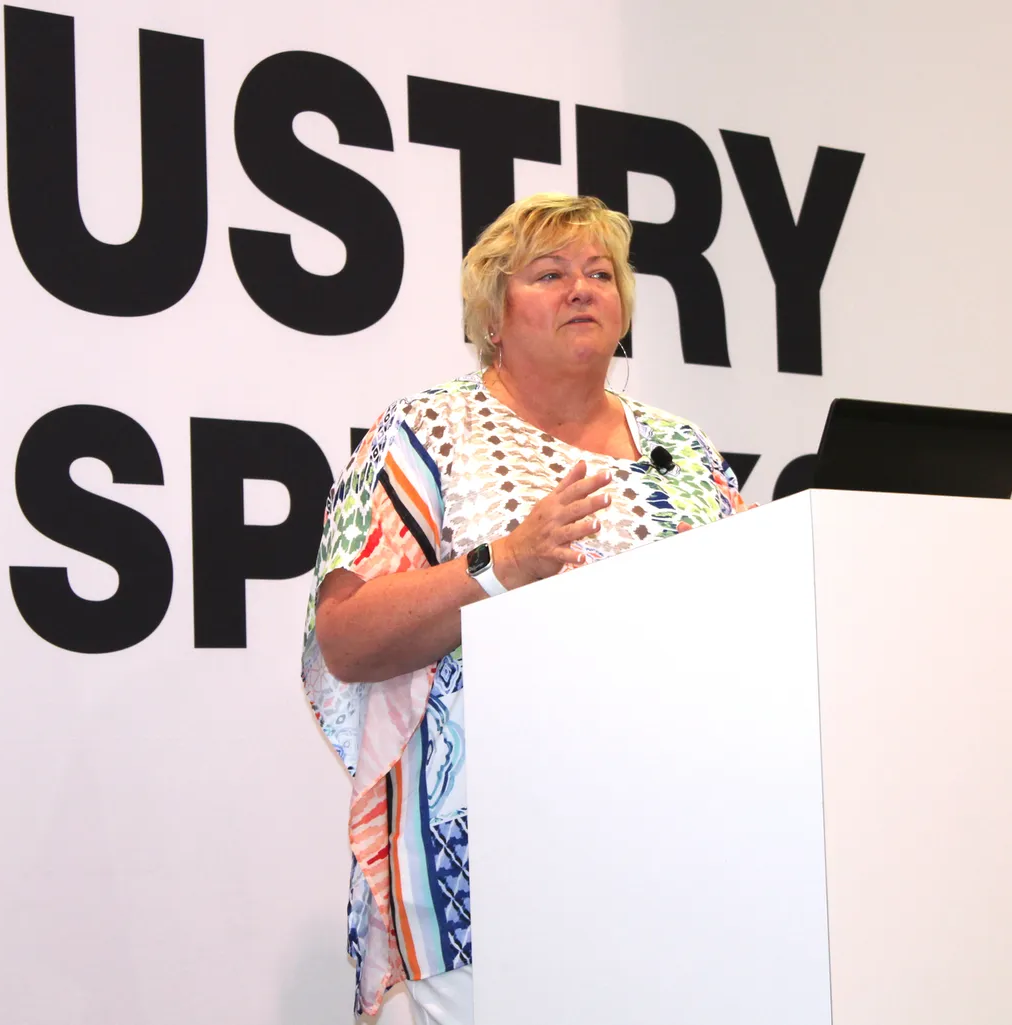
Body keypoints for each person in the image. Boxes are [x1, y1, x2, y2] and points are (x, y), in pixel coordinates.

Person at [301, 193, 749, 1025]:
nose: (582, 287)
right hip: (479, 904)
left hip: (678, 879)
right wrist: (500, 564)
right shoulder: (426, 430)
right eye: (550, 273)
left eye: (600, 272)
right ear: (493, 315)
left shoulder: (682, 450)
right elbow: (346, 637)